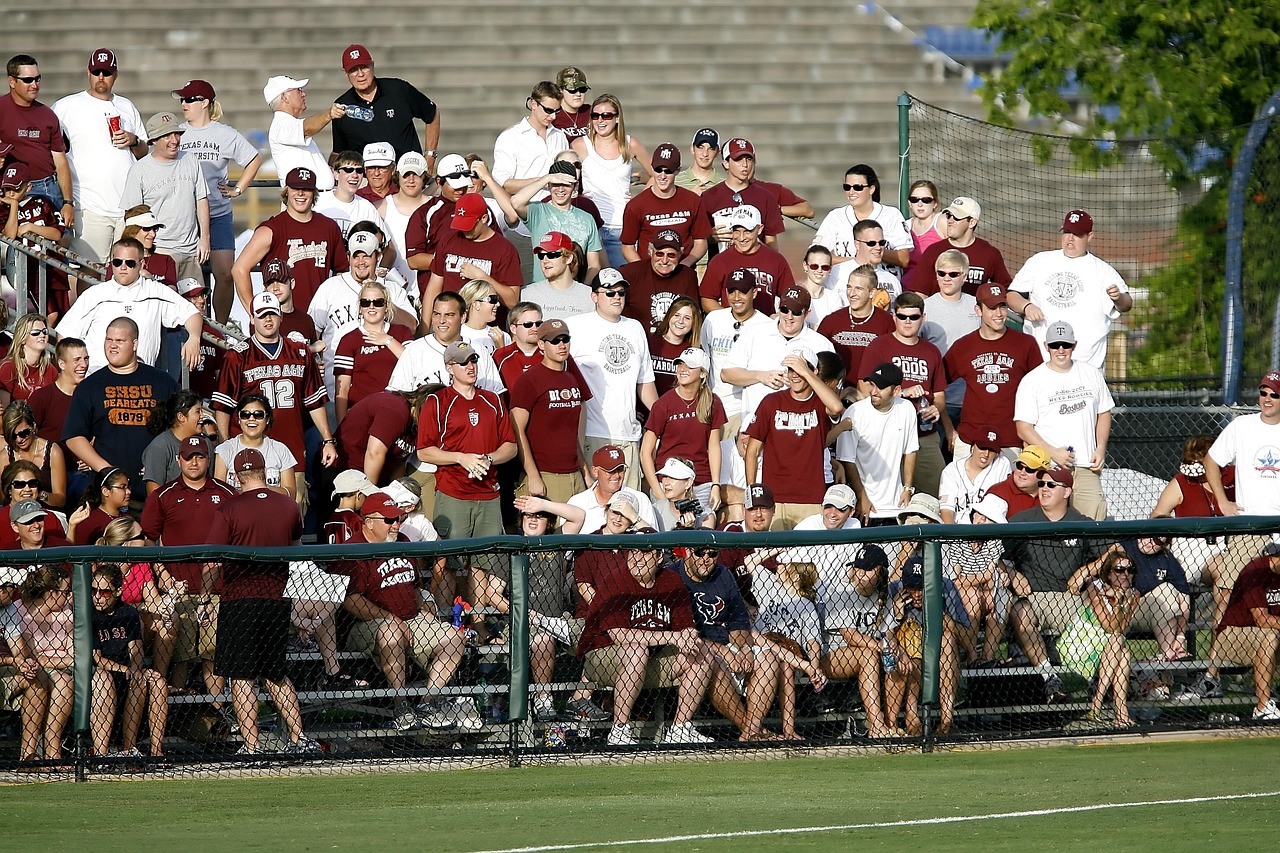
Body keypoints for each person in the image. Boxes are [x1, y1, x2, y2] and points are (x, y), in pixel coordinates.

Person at [203, 447, 320, 755]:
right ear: (265, 471)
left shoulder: (230, 508)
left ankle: (252, 746)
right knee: (274, 672)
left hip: (239, 598)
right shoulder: (288, 505)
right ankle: (299, 739)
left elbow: (212, 562)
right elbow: (296, 551)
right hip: (276, 598)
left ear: (236, 475)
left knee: (242, 675)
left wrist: (204, 595)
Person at [333, 492, 470, 732]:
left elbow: (414, 586)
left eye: (398, 518)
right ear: (369, 522)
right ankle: (401, 706)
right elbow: (351, 601)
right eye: (389, 520)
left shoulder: (403, 541)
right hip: (364, 626)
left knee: (454, 638)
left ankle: (427, 704)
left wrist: (424, 604)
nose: (396, 524)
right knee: (392, 633)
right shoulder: (352, 549)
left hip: (410, 619)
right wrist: (390, 619)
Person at [578, 536, 714, 745]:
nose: (637, 558)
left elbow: (685, 624)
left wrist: (688, 636)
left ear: (659, 557)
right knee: (636, 650)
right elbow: (620, 635)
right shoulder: (615, 579)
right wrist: (674, 637)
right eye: (633, 552)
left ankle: (680, 728)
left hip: (652, 657)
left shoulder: (671, 580)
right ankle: (620, 730)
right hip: (603, 656)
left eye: (645, 552)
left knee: (701, 649)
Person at [1004, 466, 1110, 701]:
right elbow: (993, 555)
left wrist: (1087, 569)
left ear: (1066, 491)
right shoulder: (1022, 520)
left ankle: (1097, 685)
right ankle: (1049, 677)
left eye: (1051, 485)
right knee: (1021, 612)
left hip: (1071, 600)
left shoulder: (1080, 521)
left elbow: (1116, 551)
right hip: (1033, 599)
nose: (1044, 489)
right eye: (1041, 484)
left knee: (1099, 610)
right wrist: (1012, 574)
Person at [140, 433, 238, 688]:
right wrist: (163, 576)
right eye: (188, 457)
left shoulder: (228, 494)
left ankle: (217, 717)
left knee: (212, 656)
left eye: (199, 457)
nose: (193, 463)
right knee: (180, 658)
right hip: (177, 589)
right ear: (178, 460)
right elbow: (149, 540)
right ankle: (178, 714)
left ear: (209, 459)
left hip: (218, 589)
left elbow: (238, 538)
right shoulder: (163, 496)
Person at [214, 292, 335, 493]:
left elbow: (314, 402)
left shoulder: (300, 352)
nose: (268, 319)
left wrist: (328, 440)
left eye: (272, 314)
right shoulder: (237, 356)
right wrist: (227, 447)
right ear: (252, 318)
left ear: (281, 316)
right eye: (261, 315)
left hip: (291, 451)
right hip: (248, 457)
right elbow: (224, 407)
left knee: (292, 516)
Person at [416, 340, 516, 570]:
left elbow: (510, 446)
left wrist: (488, 459)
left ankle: (476, 608)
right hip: (454, 493)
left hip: (489, 494)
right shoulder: (437, 401)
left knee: (484, 565)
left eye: (473, 360)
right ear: (449, 368)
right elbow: (424, 451)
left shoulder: (492, 400)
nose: (470, 366)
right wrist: (462, 458)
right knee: (448, 564)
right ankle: (445, 608)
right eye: (462, 363)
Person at [63, 316, 179, 501]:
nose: (112, 346)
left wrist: (162, 464)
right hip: (107, 494)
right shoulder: (90, 385)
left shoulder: (162, 382)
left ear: (135, 344)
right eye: (109, 340)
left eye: (120, 341)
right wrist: (107, 470)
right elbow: (74, 436)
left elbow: (181, 428)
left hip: (154, 489)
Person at [173, 79, 262, 322]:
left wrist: (238, 189)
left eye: (189, 99)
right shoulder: (177, 133)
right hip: (187, 217)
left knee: (224, 273)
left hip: (218, 214)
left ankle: (220, 328)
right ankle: (189, 326)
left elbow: (253, 160)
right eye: (182, 99)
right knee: (188, 278)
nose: (184, 103)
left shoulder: (224, 134)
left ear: (205, 103)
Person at [51, 48, 148, 264]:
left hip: (126, 205)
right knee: (90, 269)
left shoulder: (126, 106)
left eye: (106, 72)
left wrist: (133, 140)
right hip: (89, 204)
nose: (101, 78)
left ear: (115, 74)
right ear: (88, 73)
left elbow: (144, 151)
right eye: (96, 72)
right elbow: (49, 146)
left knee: (127, 269)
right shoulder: (66, 106)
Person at [1014, 320, 1115, 520]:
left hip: (1086, 466)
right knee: (1052, 528)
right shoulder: (1032, 380)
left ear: (1074, 345)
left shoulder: (1091, 374)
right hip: (1050, 470)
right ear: (1046, 346)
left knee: (1094, 524)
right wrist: (1053, 452)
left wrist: (1100, 448)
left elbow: (1104, 412)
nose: (1060, 350)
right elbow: (1023, 428)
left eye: (1066, 345)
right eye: (1054, 345)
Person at [1007, 209, 1133, 369]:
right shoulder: (1040, 261)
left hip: (1085, 365)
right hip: (1041, 363)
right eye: (1066, 232)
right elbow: (1011, 296)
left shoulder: (1103, 271)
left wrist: (1118, 298)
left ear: (1090, 236)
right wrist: (1026, 306)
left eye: (1077, 234)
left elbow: (1126, 304)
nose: (1070, 238)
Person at [55, 237, 202, 374]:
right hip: (99, 378)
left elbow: (191, 314)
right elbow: (66, 332)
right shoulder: (95, 294)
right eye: (118, 262)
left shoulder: (156, 291)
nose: (123, 267)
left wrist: (194, 338)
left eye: (130, 263)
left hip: (140, 379)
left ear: (141, 264)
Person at [567, 270, 658, 488]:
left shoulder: (635, 328)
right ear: (594, 296)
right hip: (592, 433)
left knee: (629, 507)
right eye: (609, 293)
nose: (616, 297)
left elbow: (645, 383)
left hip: (630, 435)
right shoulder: (575, 326)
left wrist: (663, 417)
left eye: (621, 292)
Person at [860, 292, 951, 497]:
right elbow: (864, 387)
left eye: (914, 317)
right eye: (902, 317)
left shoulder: (931, 351)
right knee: (889, 496)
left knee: (938, 494)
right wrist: (898, 394)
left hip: (924, 435)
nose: (907, 322)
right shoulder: (880, 346)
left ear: (923, 318)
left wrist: (937, 408)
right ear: (894, 316)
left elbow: (940, 395)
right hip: (888, 434)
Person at [744, 346, 845, 529]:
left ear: (813, 371)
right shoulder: (771, 402)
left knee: (808, 556)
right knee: (776, 557)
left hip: (811, 499)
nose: (795, 375)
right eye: (791, 369)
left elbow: (837, 408)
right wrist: (754, 494)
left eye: (800, 369)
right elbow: (752, 450)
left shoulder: (821, 402)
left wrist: (807, 373)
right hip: (775, 500)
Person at [1204, 372, 1280, 611]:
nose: (1267, 399)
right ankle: (1220, 647)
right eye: (1263, 392)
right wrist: (1223, 501)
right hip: (1249, 527)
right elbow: (1211, 461)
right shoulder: (1242, 426)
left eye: (1275, 394)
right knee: (1227, 590)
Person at [943, 283, 1044, 462]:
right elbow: (937, 386)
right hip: (970, 441)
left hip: (1011, 441)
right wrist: (949, 428)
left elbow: (1041, 391)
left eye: (1002, 306)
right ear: (978, 310)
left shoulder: (1025, 344)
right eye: (991, 308)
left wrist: (1031, 435)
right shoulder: (963, 346)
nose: (999, 314)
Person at [700, 268, 772, 519]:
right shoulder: (713, 320)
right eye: (732, 291)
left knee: (742, 479)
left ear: (755, 292)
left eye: (743, 291)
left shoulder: (766, 325)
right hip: (713, 410)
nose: (737, 296)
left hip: (744, 411)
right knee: (715, 483)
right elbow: (705, 363)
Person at [232, 166, 348, 314]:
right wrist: (255, 311)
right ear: (287, 191)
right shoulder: (271, 229)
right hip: (281, 319)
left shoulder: (329, 227)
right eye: (295, 188)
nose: (300, 193)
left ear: (314, 193)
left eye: (306, 189)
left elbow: (341, 272)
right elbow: (239, 269)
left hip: (320, 316)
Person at [879, 556, 970, 735]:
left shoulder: (945, 587)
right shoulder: (893, 590)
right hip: (905, 654)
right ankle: (911, 717)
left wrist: (943, 618)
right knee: (908, 638)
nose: (917, 594)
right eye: (912, 588)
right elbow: (882, 635)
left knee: (947, 639)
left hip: (942, 652)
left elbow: (968, 639)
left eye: (921, 588)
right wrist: (896, 616)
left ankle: (946, 721)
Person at [89, 563, 169, 760]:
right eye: (94, 590)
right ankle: (101, 754)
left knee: (156, 681)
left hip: (126, 668)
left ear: (118, 591)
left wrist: (135, 668)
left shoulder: (129, 613)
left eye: (105, 592)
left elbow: (136, 648)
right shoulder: (89, 614)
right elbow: (97, 659)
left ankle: (147, 751)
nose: (98, 596)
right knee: (104, 681)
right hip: (101, 670)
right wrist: (126, 669)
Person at [118, 112, 209, 284]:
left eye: (176, 134)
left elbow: (201, 200)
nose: (174, 140)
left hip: (191, 249)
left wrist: (205, 238)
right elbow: (132, 217)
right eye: (167, 136)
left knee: (195, 304)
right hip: (160, 251)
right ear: (154, 140)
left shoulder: (190, 160)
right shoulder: (140, 170)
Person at [492, 81, 570, 280]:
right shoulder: (510, 137)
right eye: (548, 110)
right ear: (533, 104)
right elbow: (503, 183)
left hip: (557, 223)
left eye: (557, 112)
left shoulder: (559, 135)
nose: (552, 117)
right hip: (523, 226)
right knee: (526, 285)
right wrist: (544, 180)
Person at [509, 318, 591, 503]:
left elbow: (570, 432)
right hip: (546, 473)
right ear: (541, 345)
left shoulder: (571, 378)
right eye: (554, 341)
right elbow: (517, 429)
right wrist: (533, 475)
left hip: (574, 472)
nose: (561, 345)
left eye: (565, 339)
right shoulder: (528, 380)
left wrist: (584, 470)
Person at [749, 551, 829, 740]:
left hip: (790, 657)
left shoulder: (805, 604)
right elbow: (750, 561)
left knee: (786, 665)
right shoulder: (768, 585)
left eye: (784, 564)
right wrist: (779, 548)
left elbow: (812, 640)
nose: (778, 566)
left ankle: (789, 731)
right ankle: (755, 729)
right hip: (760, 650)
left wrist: (814, 666)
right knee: (775, 659)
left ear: (794, 574)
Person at [819, 544, 892, 737]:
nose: (860, 573)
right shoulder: (840, 590)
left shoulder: (885, 594)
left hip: (869, 653)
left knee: (898, 659)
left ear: (880, 572)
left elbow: (888, 633)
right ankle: (876, 726)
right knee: (868, 655)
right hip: (829, 655)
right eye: (858, 567)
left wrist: (893, 649)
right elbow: (849, 635)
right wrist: (882, 646)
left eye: (868, 569)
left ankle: (893, 724)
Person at [832, 362, 918, 525]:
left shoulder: (907, 409)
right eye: (872, 385)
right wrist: (861, 496)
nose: (873, 391)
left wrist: (907, 488)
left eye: (881, 387)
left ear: (896, 391)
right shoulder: (855, 412)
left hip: (896, 507)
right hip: (865, 509)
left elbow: (911, 451)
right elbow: (847, 459)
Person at [641, 347, 725, 512]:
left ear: (703, 373)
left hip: (700, 482)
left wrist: (716, 484)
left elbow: (714, 446)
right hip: (667, 482)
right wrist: (659, 494)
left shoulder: (713, 402)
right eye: (680, 364)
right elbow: (645, 452)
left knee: (702, 529)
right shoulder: (663, 404)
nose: (682, 369)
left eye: (689, 366)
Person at [570, 94, 649, 269]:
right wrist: (578, 195)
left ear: (617, 118)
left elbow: (657, 176)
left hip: (621, 229)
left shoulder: (631, 144)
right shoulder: (579, 145)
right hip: (588, 227)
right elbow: (564, 179)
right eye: (595, 115)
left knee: (622, 284)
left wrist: (639, 200)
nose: (600, 120)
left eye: (606, 115)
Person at [1061, 551, 1138, 728]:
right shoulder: (1095, 589)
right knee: (1119, 645)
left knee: (1123, 652)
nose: (1125, 574)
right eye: (1119, 570)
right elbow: (1109, 626)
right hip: (1082, 644)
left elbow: (1120, 627)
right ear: (1109, 573)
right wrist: (1119, 604)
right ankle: (1107, 707)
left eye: (1130, 570)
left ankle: (1115, 712)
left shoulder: (1134, 594)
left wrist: (1120, 602)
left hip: (1110, 649)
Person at [494, 159, 604, 284]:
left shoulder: (587, 218)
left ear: (575, 186)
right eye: (555, 184)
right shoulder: (538, 211)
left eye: (566, 184)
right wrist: (546, 179)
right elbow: (516, 202)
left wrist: (582, 291)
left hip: (575, 291)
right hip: (542, 289)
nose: (560, 189)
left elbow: (594, 265)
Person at [9, 564, 75, 762]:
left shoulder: (67, 612)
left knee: (64, 682)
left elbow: (75, 654)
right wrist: (60, 659)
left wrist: (54, 660)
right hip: (30, 669)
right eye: (66, 591)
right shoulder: (20, 611)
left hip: (61, 671)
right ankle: (29, 754)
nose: (68, 596)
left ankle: (52, 751)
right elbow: (30, 657)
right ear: (52, 593)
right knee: (43, 676)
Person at [332, 44, 440, 162]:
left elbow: (432, 113)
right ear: (345, 73)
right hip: (368, 177)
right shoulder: (342, 107)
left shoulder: (398, 90)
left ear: (372, 65)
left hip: (407, 173)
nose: (360, 74)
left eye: (364, 67)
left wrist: (430, 155)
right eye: (353, 70)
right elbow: (338, 151)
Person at [1, 54, 73, 222]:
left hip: (47, 188)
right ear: (12, 81)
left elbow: (60, 160)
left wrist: (68, 202)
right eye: (28, 80)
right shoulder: (1, 108)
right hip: (13, 190)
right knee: (17, 245)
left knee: (57, 243)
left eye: (37, 78)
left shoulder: (48, 115)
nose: (34, 85)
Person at [422, 193, 522, 312]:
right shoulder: (448, 240)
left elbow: (512, 301)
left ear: (484, 218)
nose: (464, 229)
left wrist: (482, 278)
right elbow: (433, 288)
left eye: (469, 224)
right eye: (460, 223)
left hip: (486, 325)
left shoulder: (505, 249)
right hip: (450, 322)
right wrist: (425, 327)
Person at [1215, 540, 1280, 720]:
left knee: (1271, 635)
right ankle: (1263, 707)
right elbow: (1262, 619)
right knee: (1270, 635)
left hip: (1264, 635)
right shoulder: (1256, 571)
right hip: (1231, 636)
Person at [332, 280, 414, 422]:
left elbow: (414, 364)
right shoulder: (349, 340)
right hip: (361, 412)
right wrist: (342, 426)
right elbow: (342, 389)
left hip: (396, 411)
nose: (371, 307)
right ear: (360, 307)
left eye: (378, 302)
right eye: (365, 302)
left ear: (387, 306)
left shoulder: (402, 332)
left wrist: (388, 340)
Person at [620, 142, 709, 265]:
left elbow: (701, 242)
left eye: (668, 171)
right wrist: (643, 271)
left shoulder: (692, 201)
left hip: (682, 272)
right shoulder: (636, 205)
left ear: (678, 171)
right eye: (658, 170)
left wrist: (685, 266)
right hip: (648, 273)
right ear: (652, 168)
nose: (662, 176)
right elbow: (627, 247)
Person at [904, 196, 1012, 296]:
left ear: (972, 222)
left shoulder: (989, 253)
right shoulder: (933, 251)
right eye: (948, 215)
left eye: (956, 217)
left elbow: (1005, 289)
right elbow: (920, 293)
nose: (950, 220)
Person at [1, 163, 71, 319]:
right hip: (31, 268)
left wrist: (30, 227)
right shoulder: (4, 209)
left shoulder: (43, 203)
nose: (11, 193)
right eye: (7, 188)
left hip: (54, 265)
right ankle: (36, 340)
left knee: (64, 315)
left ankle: (53, 341)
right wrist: (13, 206)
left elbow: (57, 234)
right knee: (51, 314)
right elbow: (10, 235)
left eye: (16, 188)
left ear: (28, 187)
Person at [699, 205, 794, 315]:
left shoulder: (776, 260)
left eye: (747, 231)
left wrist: (779, 317)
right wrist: (728, 319)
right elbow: (707, 299)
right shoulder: (720, 261)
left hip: (765, 327)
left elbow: (789, 297)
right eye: (736, 231)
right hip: (732, 328)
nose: (741, 237)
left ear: (759, 229)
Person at [922, 250, 981, 423]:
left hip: (970, 399)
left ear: (964, 276)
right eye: (942, 273)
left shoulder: (976, 306)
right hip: (937, 400)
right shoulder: (925, 308)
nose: (946, 278)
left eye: (953, 274)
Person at [28, 336, 89, 503]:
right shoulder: (42, 397)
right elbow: (26, 436)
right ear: (62, 364)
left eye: (86, 358)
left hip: (81, 474)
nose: (83, 365)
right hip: (47, 475)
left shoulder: (91, 396)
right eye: (77, 360)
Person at [812, 164, 910, 267]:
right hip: (844, 281)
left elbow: (904, 259)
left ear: (872, 189)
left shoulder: (891, 215)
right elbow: (815, 255)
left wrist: (873, 248)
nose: (851, 192)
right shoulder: (836, 216)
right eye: (847, 187)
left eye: (857, 187)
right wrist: (857, 261)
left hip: (882, 280)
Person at [699, 137, 785, 253]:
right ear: (726, 163)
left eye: (749, 159)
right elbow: (696, 240)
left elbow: (771, 242)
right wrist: (710, 238)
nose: (745, 164)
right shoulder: (708, 197)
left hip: (755, 266)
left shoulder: (765, 197)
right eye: (738, 159)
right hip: (722, 267)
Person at [815, 263, 893, 388]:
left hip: (871, 395)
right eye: (849, 287)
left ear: (872, 292)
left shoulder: (887, 322)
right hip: (835, 394)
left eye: (858, 288)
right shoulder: (831, 321)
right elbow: (818, 360)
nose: (851, 293)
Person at [264, 74, 339, 191]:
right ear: (285, 97)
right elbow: (306, 128)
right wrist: (329, 114)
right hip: (304, 198)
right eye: (299, 91)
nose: (304, 94)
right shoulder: (280, 125)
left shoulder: (287, 123)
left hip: (315, 198)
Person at [619, 229, 701, 335]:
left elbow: (694, 316)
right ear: (650, 251)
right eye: (659, 254)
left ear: (680, 254)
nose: (664, 260)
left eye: (671, 255)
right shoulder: (629, 273)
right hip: (638, 338)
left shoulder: (688, 276)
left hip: (675, 340)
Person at [566, 444, 658, 533]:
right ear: (595, 471)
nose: (616, 476)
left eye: (620, 469)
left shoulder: (641, 499)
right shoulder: (577, 502)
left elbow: (654, 543)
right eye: (610, 471)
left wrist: (634, 517)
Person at [378, 152, 431, 286]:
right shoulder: (381, 207)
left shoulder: (435, 208)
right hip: (391, 285)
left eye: (416, 174)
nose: (411, 180)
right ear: (398, 175)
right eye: (406, 174)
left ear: (424, 176)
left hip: (425, 284)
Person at [315, 150, 390, 240]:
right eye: (348, 170)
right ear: (336, 174)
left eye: (359, 171)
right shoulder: (317, 202)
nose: (355, 175)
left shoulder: (367, 208)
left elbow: (388, 247)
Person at [827, 219, 903, 309]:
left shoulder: (892, 280)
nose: (878, 247)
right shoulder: (837, 272)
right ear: (857, 244)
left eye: (882, 243)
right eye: (871, 243)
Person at [938, 433, 1011, 524]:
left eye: (992, 450)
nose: (986, 454)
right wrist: (953, 536)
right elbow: (946, 510)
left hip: (986, 530)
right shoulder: (951, 471)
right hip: (956, 528)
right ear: (973, 447)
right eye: (982, 448)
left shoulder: (1001, 465)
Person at [141, 389, 204, 493]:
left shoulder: (205, 443)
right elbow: (154, 493)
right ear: (181, 417)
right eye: (198, 412)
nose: (202, 416)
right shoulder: (160, 447)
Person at [647, 298, 701, 397]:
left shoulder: (695, 351)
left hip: (677, 410)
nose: (681, 321)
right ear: (669, 316)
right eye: (677, 315)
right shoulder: (648, 342)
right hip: (646, 409)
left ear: (694, 323)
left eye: (687, 318)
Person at [0, 314, 57, 406]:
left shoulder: (50, 370)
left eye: (45, 331)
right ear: (22, 339)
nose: (42, 335)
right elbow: (4, 411)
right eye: (35, 332)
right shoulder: (8, 368)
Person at [118, 204, 176, 286]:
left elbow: (172, 292)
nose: (153, 234)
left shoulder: (166, 260)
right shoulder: (118, 261)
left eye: (155, 229)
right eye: (147, 228)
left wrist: (151, 280)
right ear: (132, 231)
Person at [795, 246, 846, 330]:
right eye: (814, 266)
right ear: (805, 266)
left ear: (830, 270)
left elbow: (838, 327)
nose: (819, 270)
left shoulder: (834, 297)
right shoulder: (795, 293)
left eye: (825, 267)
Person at [458, 279, 509, 358]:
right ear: (476, 304)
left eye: (497, 299)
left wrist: (501, 348)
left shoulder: (502, 336)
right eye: (493, 299)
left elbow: (508, 368)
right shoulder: (457, 335)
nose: (498, 304)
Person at [903, 180, 945, 273]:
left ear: (935, 203)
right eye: (914, 200)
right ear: (910, 203)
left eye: (926, 200)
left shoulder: (941, 221)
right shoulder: (906, 226)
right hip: (907, 284)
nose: (920, 204)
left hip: (935, 284)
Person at [675, 127, 720, 195]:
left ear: (717, 152)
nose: (705, 154)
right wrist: (690, 197)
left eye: (711, 149)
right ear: (692, 149)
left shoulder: (723, 184)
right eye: (700, 147)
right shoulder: (675, 181)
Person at [551, 66, 591, 140]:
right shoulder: (551, 116)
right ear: (560, 90)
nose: (578, 94)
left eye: (582, 89)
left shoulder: (593, 112)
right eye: (572, 90)